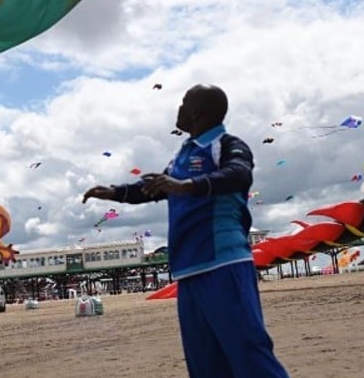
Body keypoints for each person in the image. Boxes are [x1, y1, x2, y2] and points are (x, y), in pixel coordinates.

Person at [82, 84, 288, 378]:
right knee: (205, 364)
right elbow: (153, 188)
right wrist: (114, 192)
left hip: (224, 263)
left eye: (182, 103)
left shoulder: (228, 145)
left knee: (248, 352)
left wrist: (187, 186)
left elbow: (239, 174)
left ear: (196, 111)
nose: (178, 109)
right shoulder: (182, 154)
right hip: (188, 270)